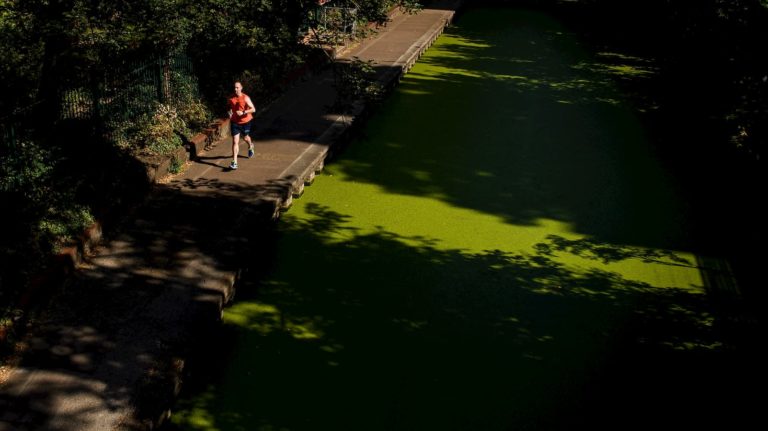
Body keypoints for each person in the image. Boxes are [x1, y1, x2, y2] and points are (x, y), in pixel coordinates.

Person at [227, 81, 256, 170]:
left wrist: (243, 112)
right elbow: (229, 108)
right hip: (235, 122)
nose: (235, 89)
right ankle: (234, 162)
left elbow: (253, 109)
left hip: (245, 122)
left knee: (245, 138)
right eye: (234, 88)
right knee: (235, 141)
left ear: (241, 88)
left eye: (237, 87)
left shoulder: (245, 98)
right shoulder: (231, 98)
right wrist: (230, 113)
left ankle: (250, 145)